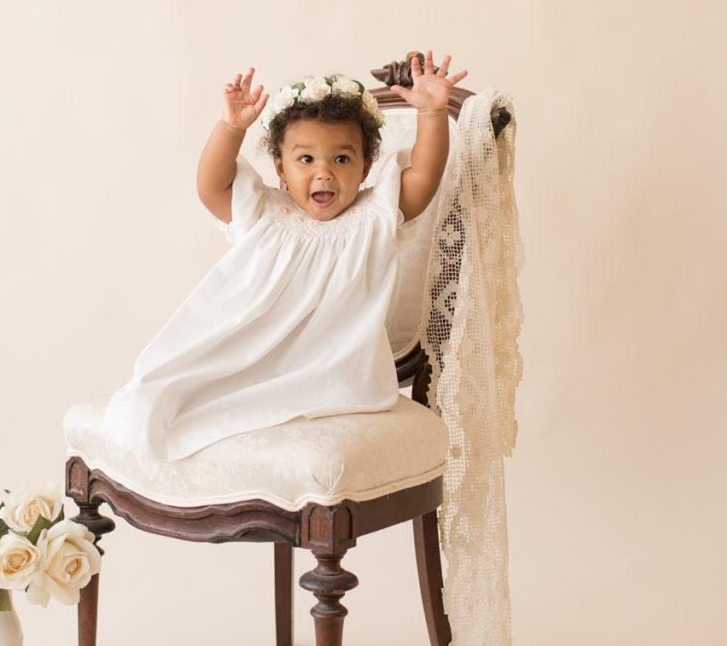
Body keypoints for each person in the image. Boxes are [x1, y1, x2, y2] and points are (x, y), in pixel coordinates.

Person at [104, 51, 468, 462]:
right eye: (305, 159)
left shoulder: (375, 214)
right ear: (280, 166)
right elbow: (211, 187)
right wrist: (231, 127)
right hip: (249, 360)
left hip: (338, 375)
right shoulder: (265, 212)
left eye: (342, 159)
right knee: (163, 398)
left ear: (367, 166)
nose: (324, 172)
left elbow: (422, 177)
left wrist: (433, 113)